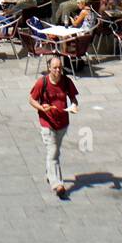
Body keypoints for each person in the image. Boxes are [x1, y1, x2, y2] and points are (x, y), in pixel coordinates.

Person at [28, 55, 78, 198]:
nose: (58, 70)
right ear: (49, 68)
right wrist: (42, 108)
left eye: (60, 68)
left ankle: (50, 173)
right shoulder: (42, 82)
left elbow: (73, 97)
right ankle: (58, 184)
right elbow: (31, 99)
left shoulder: (66, 81)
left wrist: (74, 105)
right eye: (55, 68)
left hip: (62, 122)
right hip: (47, 123)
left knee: (54, 152)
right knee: (53, 151)